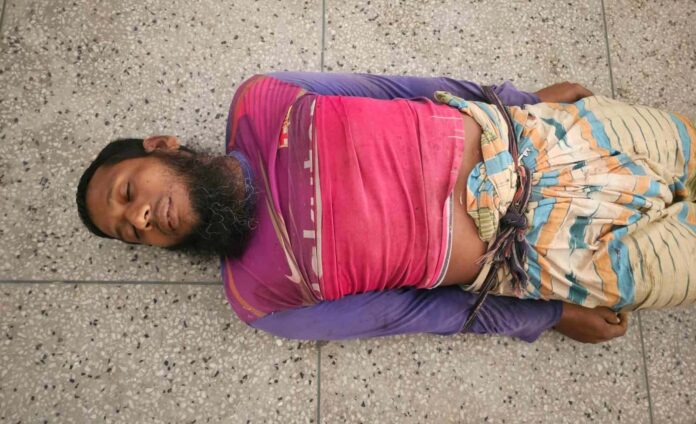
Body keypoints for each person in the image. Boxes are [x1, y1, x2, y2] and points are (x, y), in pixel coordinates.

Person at [79, 71, 696, 344]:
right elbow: (420, 312)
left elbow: (402, 91)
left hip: (546, 138)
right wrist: (552, 314)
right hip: (561, 258)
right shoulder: (258, 297)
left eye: (127, 193)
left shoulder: (261, 100)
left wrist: (524, 99)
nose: (140, 218)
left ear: (160, 146)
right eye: (131, 233)